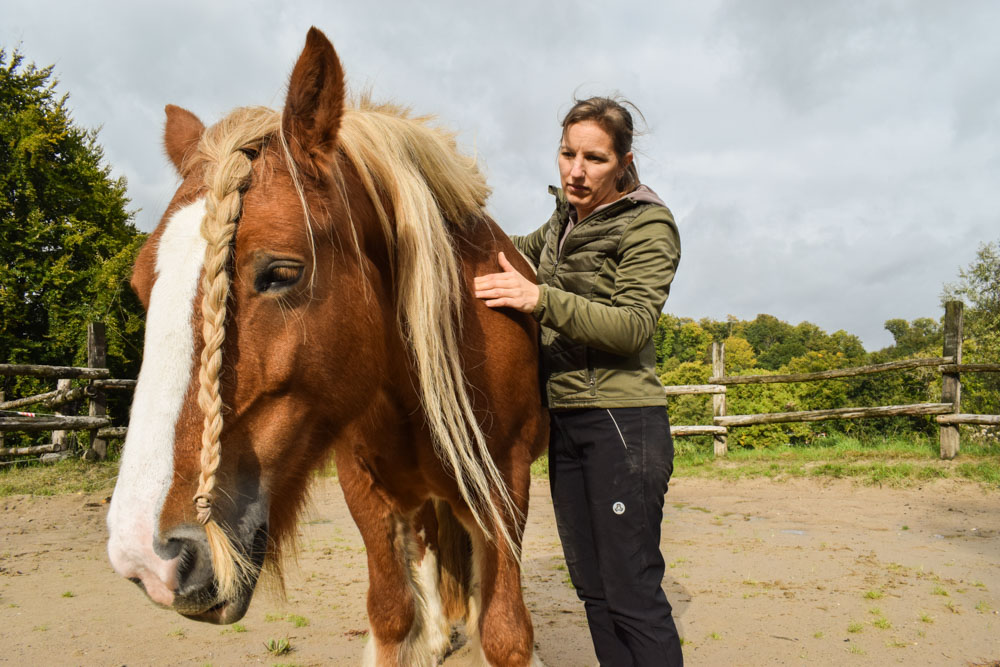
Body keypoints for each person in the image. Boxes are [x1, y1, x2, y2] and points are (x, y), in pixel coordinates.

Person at [474, 96, 683, 666]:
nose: (575, 170)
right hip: (565, 421)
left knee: (632, 592)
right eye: (567, 154)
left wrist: (539, 299)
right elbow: (509, 256)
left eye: (594, 157)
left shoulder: (648, 224)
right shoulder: (564, 222)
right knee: (592, 588)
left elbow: (633, 325)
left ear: (623, 161)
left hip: (622, 422)